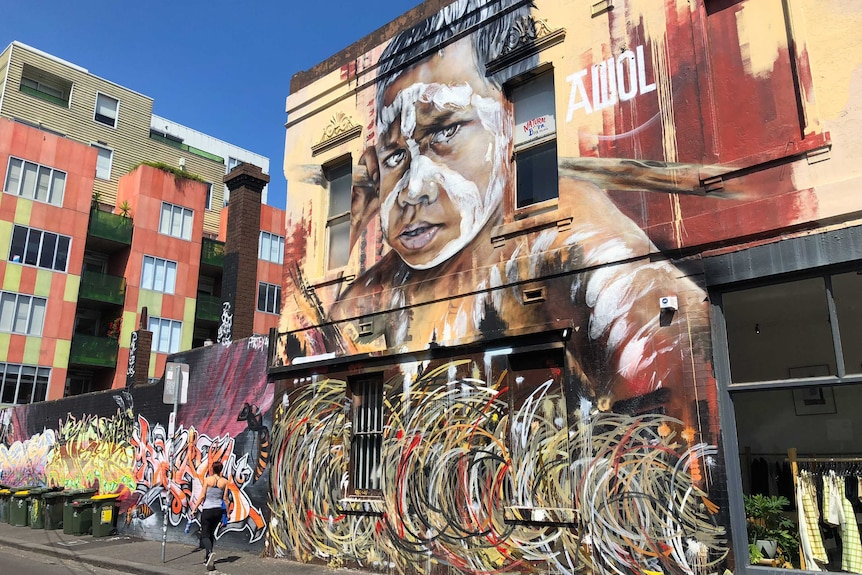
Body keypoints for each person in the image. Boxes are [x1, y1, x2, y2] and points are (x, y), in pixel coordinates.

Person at [320, 0, 717, 425]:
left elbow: (682, 376)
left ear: (508, 124)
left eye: (445, 131)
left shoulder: (575, 245)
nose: (412, 189)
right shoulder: (363, 302)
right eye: (396, 155)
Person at [190, 460, 229, 571]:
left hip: (207, 510)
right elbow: (226, 499)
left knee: (205, 535)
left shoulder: (208, 480)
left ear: (212, 469)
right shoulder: (225, 482)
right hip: (218, 511)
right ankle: (207, 557)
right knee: (211, 534)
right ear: (221, 470)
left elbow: (202, 496)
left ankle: (210, 552)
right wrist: (227, 514)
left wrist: (194, 508)